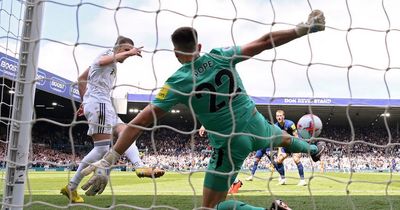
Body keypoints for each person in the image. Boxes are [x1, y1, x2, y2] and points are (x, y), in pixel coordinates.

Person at [81, 10, 326, 209]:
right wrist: (304, 29)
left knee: (210, 208)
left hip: (230, 143)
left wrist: (110, 159)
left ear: (176, 53)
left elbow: (140, 122)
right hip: (256, 123)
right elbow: (263, 42)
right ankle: (314, 148)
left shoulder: (178, 81)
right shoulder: (221, 55)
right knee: (284, 138)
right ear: (199, 46)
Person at [60, 36, 164, 203]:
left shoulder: (108, 62)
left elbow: (81, 80)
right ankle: (71, 187)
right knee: (101, 149)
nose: (127, 54)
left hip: (102, 103)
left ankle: (139, 167)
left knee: (127, 131)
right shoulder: (107, 54)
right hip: (99, 104)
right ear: (118, 48)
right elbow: (102, 61)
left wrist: (84, 102)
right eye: (125, 50)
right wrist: (130, 52)